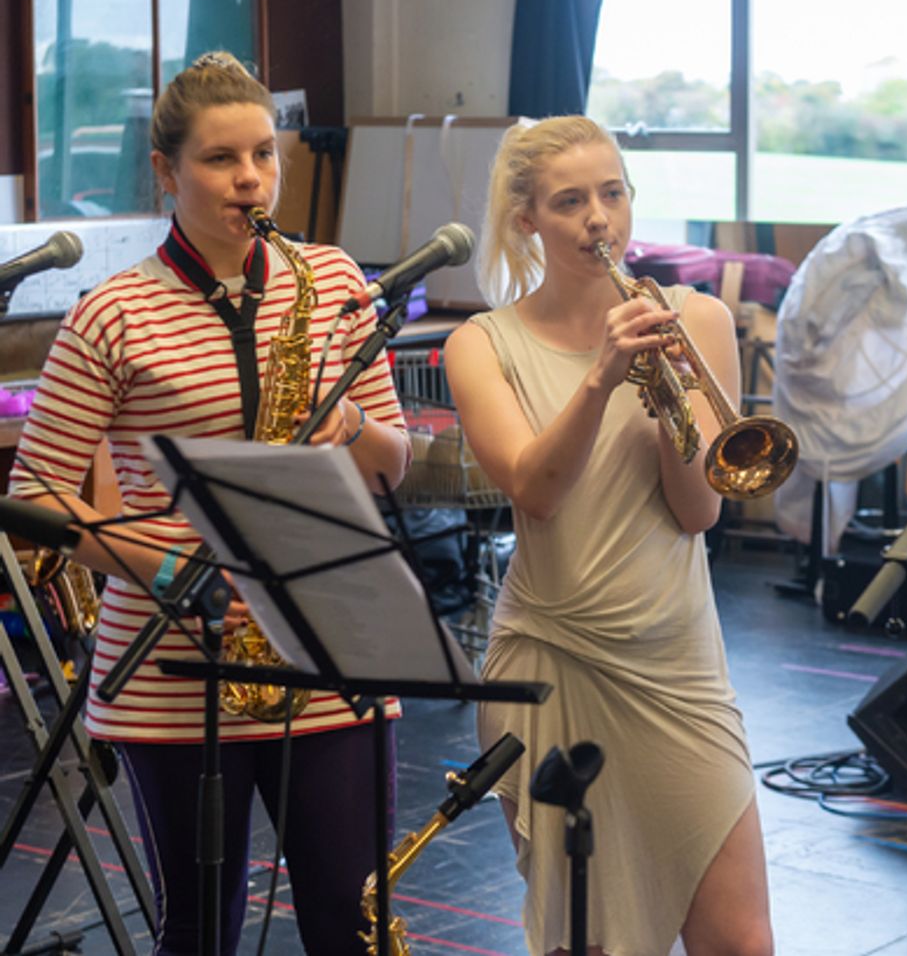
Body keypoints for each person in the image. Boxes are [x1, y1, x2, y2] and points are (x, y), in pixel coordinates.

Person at [7, 52, 412, 955]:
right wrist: (161, 562)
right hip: (173, 664)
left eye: (265, 155)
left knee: (350, 928)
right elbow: (33, 499)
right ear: (165, 171)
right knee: (197, 934)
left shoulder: (335, 281)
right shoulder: (111, 314)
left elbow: (394, 467)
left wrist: (348, 423)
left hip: (329, 648)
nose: (251, 179)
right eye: (222, 159)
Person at [444, 116, 773, 956]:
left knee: (741, 941)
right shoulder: (481, 344)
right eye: (570, 202)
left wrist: (667, 401)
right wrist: (600, 380)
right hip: (553, 657)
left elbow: (698, 512)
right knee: (580, 942)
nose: (600, 219)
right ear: (528, 221)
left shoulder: (694, 319)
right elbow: (537, 490)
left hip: (677, 662)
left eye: (613, 193)